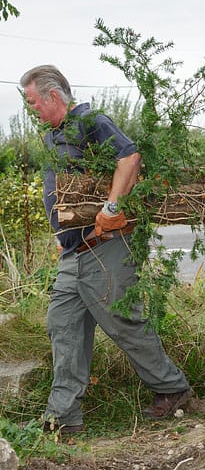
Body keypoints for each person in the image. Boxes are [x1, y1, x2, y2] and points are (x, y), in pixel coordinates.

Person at [20, 65, 192, 434]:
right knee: (62, 324)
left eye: (33, 100)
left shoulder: (89, 120)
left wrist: (112, 208)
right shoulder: (54, 135)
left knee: (123, 322)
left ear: (53, 96)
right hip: (74, 252)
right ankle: (63, 418)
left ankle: (172, 389)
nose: (30, 107)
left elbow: (129, 158)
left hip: (105, 246)